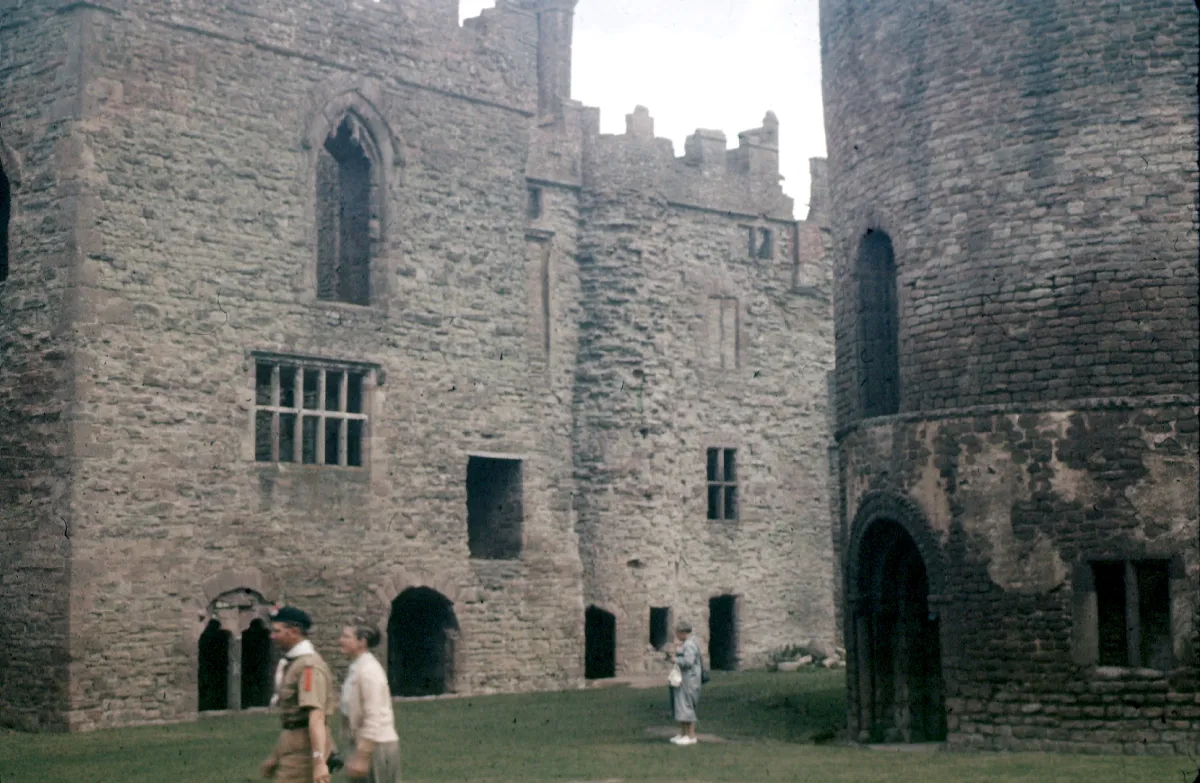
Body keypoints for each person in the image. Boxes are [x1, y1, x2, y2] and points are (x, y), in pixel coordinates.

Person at [260, 606, 339, 783]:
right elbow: (292, 721)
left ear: (293, 632)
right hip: (294, 748)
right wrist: (276, 756)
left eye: (277, 631)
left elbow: (316, 717)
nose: (272, 636)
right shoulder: (294, 664)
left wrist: (319, 763)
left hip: (304, 753)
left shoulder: (308, 667)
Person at [337, 621, 402, 782]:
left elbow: (374, 716)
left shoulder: (368, 671)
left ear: (362, 642)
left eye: (346, 636)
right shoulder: (358, 668)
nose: (340, 640)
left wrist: (362, 756)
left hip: (377, 746)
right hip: (364, 744)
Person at [667, 621, 703, 746]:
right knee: (681, 705)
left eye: (677, 633)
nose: (676, 635)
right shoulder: (686, 644)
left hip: (690, 680)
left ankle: (691, 735)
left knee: (687, 706)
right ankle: (683, 733)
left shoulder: (690, 644)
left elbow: (688, 661)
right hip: (683, 679)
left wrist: (675, 659)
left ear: (683, 632)